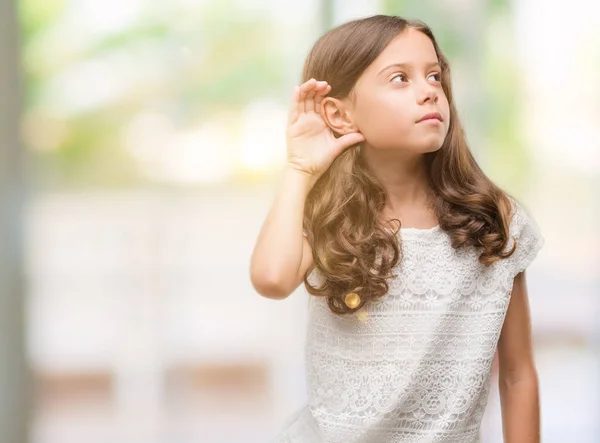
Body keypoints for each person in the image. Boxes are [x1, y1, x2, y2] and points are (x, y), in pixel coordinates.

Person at [250, 14, 544, 443]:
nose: (429, 92)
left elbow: (518, 375)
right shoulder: (328, 214)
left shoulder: (493, 220)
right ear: (339, 113)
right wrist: (299, 168)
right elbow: (272, 280)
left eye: (434, 77)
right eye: (400, 79)